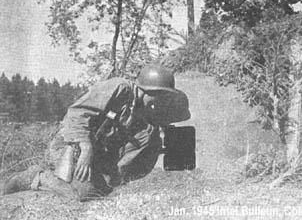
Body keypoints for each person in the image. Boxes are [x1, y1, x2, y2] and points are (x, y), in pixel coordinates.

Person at [1, 65, 190, 201]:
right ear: (144, 90)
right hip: (72, 145)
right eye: (156, 95)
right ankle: (37, 176)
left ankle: (82, 180)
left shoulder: (146, 111)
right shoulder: (119, 88)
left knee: (102, 192)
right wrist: (86, 147)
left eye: (164, 96)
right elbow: (76, 113)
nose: (160, 101)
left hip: (99, 156)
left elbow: (148, 141)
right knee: (82, 194)